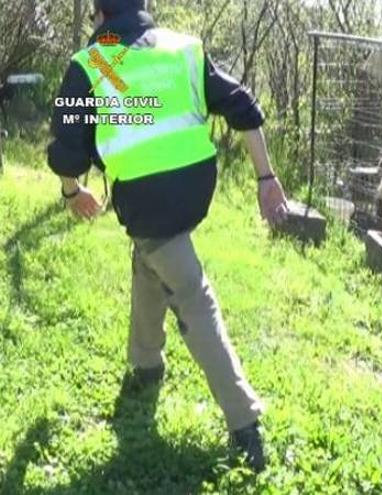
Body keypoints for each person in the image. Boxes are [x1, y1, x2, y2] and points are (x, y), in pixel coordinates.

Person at [47, 0, 291, 472]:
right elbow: (244, 107)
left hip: (145, 199)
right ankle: (145, 364)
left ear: (98, 16)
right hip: (194, 189)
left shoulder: (91, 63)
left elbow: (67, 149)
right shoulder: (184, 48)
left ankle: (244, 423)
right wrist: (266, 179)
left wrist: (71, 191)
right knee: (150, 259)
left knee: (193, 298)